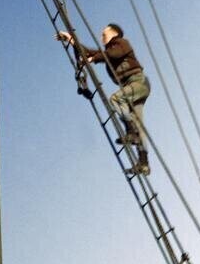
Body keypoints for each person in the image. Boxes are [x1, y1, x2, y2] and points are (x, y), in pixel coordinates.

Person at [57, 24, 151, 175]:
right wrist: (71, 40)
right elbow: (89, 52)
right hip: (132, 86)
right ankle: (143, 163)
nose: (101, 37)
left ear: (114, 33)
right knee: (139, 126)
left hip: (138, 82)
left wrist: (93, 58)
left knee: (115, 99)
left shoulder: (121, 43)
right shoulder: (107, 51)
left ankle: (130, 130)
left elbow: (113, 54)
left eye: (103, 34)